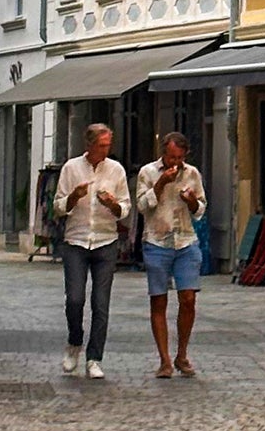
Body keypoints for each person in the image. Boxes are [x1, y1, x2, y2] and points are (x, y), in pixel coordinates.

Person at [53, 121, 128, 377]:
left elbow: (125, 209)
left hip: (106, 241)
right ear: (89, 145)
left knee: (101, 303)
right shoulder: (71, 168)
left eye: (108, 145)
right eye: (101, 146)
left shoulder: (116, 170)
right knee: (75, 299)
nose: (105, 150)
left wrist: (113, 204)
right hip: (76, 240)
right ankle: (74, 341)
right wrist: (74, 197)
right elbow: (58, 207)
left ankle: (94, 358)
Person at [136, 131, 206, 377]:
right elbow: (142, 206)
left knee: (188, 298)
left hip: (186, 241)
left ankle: (182, 354)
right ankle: (164, 360)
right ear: (163, 153)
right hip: (156, 241)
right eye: (171, 157)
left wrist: (192, 201)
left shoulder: (192, 174)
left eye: (179, 158)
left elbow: (200, 209)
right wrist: (161, 184)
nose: (175, 162)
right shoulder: (147, 172)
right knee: (159, 300)